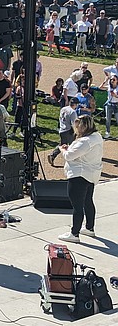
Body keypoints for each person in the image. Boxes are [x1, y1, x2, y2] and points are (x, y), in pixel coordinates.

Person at [58, 115, 104, 244]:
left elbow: (69, 156)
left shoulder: (84, 141)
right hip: (92, 174)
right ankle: (89, 228)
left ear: (83, 127)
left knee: (77, 205)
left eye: (77, 126)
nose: (76, 129)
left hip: (79, 175)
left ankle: (74, 233)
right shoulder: (97, 136)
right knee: (88, 201)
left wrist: (63, 150)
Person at [48, 97, 79, 166]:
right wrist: (77, 132)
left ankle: (52, 155)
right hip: (69, 131)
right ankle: (72, 162)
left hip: (62, 130)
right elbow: (73, 124)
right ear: (76, 104)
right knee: (72, 146)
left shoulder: (64, 109)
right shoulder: (73, 112)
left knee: (62, 144)